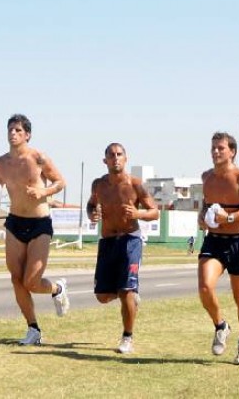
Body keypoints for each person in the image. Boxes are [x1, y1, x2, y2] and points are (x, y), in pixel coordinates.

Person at [0, 113, 69, 346]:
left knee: (31, 282)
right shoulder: (0, 163)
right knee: (16, 280)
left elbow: (60, 182)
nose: (13, 134)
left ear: (27, 135)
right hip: (15, 222)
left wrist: (43, 193)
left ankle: (57, 288)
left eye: (18, 130)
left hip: (39, 223)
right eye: (10, 130)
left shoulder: (37, 158)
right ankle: (33, 329)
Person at [198, 131, 239, 366]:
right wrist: (202, 218)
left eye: (220, 148)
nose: (215, 152)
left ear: (232, 152)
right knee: (205, 288)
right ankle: (221, 325)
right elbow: (206, 205)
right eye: (213, 147)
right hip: (214, 241)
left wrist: (230, 217)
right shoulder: (206, 177)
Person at [87, 142, 159, 354]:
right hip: (108, 240)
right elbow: (91, 204)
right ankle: (128, 294)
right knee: (102, 296)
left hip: (130, 240)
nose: (115, 158)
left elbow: (155, 212)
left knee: (126, 289)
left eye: (119, 154)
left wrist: (138, 214)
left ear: (125, 159)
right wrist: (92, 213)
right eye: (111, 155)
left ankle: (127, 337)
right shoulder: (98, 185)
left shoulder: (135, 184)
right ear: (105, 160)